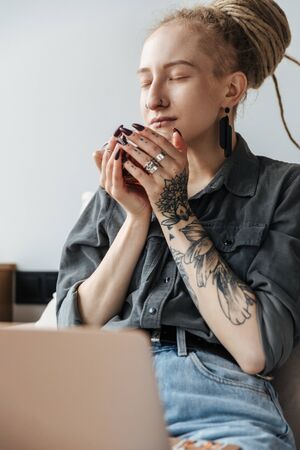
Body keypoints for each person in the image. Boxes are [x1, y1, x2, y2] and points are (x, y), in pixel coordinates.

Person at [55, 0, 300, 448]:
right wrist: (136, 218)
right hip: (103, 395)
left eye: (178, 76)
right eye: (145, 80)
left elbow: (256, 349)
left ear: (231, 90)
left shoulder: (283, 189)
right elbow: (71, 336)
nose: (153, 99)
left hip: (220, 405)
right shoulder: (115, 194)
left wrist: (173, 211)